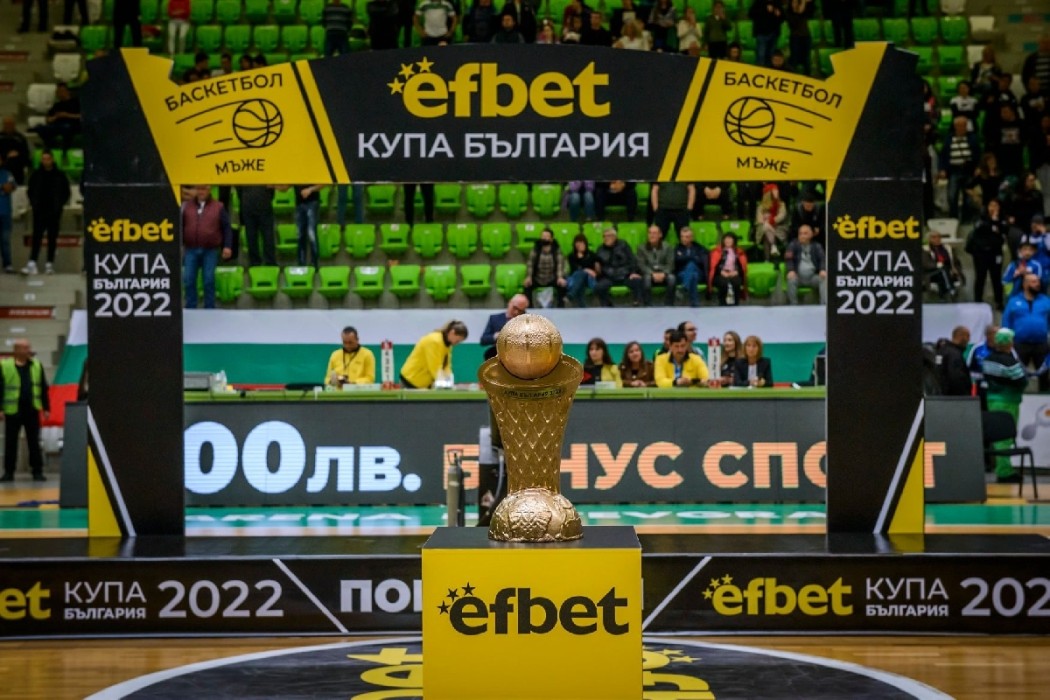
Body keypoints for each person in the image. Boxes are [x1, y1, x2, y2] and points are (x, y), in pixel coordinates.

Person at [982, 328, 1029, 483]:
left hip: (992, 399)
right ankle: (1004, 472)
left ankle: (1003, 469)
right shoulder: (1010, 362)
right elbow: (1022, 381)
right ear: (1009, 343)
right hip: (1008, 401)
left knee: (998, 437)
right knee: (1004, 437)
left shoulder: (988, 359)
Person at [1, 339, 50, 482]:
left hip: (32, 409)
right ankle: (9, 472)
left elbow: (43, 387)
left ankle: (37, 471)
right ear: (16, 350)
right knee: (10, 442)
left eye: (28, 347)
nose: (28, 350)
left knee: (34, 442)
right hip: (13, 410)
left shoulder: (36, 365)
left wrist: (46, 408)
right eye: (25, 348)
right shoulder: (5, 366)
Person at [181, 185, 233, 309]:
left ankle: (210, 308)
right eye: (199, 189)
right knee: (188, 279)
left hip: (210, 250)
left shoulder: (218, 207)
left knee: (209, 280)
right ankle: (190, 307)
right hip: (190, 249)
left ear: (209, 190)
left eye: (203, 189)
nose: (201, 192)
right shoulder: (186, 206)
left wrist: (227, 246)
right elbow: (181, 226)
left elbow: (227, 228)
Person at [22, 152, 71, 276]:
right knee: (37, 236)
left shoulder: (60, 175)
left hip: (54, 212)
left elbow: (66, 192)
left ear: (52, 159)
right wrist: (34, 204)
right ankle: (32, 262)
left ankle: (49, 264)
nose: (46, 161)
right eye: (43, 159)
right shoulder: (36, 175)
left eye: (48, 158)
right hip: (39, 211)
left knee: (52, 238)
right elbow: (30, 191)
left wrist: (59, 205)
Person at [1002, 271, 1050, 392]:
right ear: (1025, 284)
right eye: (1034, 282)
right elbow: (1006, 322)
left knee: (1045, 377)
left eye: (1038, 281)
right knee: (1017, 376)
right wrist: (1006, 341)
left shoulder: (1046, 301)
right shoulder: (1013, 301)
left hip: (1041, 344)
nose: (1037, 284)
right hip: (1019, 344)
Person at [401, 320, 469, 389]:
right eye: (457, 340)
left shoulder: (447, 345)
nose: (457, 343)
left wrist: (449, 380)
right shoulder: (434, 341)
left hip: (423, 383)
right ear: (452, 332)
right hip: (411, 379)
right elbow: (435, 367)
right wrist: (446, 385)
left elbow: (446, 365)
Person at [966, 198, 1007, 310]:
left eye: (996, 206)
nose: (993, 208)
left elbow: (1004, 229)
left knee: (996, 278)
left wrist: (996, 222)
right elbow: (979, 228)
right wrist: (992, 223)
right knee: (980, 277)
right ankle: (978, 301)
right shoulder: (980, 217)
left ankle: (999, 301)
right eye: (991, 205)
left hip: (996, 252)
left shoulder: (1002, 219)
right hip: (981, 252)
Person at [939, 117, 980, 222]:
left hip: (968, 170)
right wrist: (942, 169)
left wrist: (978, 167)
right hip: (954, 170)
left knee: (968, 196)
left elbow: (977, 153)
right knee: (952, 195)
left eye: (964, 125)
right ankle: (954, 218)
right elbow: (943, 155)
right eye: (959, 126)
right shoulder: (949, 139)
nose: (962, 128)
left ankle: (966, 218)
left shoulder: (972, 138)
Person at [595, 227, 644, 306]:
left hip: (625, 274)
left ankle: (637, 303)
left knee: (637, 281)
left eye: (608, 236)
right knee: (599, 287)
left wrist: (633, 272)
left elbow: (632, 260)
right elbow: (600, 266)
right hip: (609, 276)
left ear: (615, 237)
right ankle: (607, 305)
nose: (606, 238)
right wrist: (599, 270)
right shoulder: (600, 249)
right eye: (604, 236)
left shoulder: (623, 245)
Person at [30, 84, 81, 153]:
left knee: (66, 127)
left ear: (68, 91)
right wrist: (55, 117)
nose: (60, 94)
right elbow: (48, 118)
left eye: (62, 91)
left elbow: (81, 116)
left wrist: (67, 115)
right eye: (58, 92)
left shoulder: (76, 102)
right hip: (57, 125)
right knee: (39, 128)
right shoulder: (57, 105)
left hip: (72, 124)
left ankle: (65, 149)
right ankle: (51, 145)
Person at [523, 228, 567, 308]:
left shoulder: (556, 249)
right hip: (538, 278)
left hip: (552, 277)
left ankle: (560, 308)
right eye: (543, 236)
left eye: (547, 236)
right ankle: (530, 309)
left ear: (551, 239)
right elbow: (530, 263)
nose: (544, 238)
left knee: (562, 285)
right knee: (527, 286)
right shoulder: (535, 249)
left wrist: (560, 277)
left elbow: (560, 264)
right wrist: (529, 277)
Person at [784, 224, 827, 304]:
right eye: (800, 233)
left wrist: (822, 269)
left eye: (805, 233)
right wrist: (790, 270)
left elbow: (822, 259)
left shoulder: (817, 246)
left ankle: (824, 304)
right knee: (791, 279)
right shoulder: (792, 245)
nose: (802, 236)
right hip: (798, 277)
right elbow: (788, 259)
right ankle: (793, 305)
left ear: (811, 235)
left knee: (824, 278)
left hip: (812, 277)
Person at [637, 225, 677, 306]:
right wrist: (652, 273)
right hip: (649, 273)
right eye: (650, 233)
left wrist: (664, 273)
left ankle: (669, 305)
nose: (652, 235)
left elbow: (670, 264)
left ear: (660, 235)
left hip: (664, 273)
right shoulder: (641, 248)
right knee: (646, 280)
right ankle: (648, 305)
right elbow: (641, 265)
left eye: (654, 233)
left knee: (672, 279)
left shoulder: (668, 247)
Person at [480, 294, 528, 359]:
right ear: (509, 303)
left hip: (520, 356)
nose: (516, 312)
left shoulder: (527, 321)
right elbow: (483, 340)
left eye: (521, 311)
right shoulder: (494, 319)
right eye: (515, 308)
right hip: (498, 356)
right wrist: (496, 336)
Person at [923, 230, 965, 300]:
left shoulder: (947, 248)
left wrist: (956, 269)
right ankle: (951, 290)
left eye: (939, 237)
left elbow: (956, 262)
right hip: (932, 273)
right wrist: (937, 265)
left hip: (949, 271)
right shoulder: (925, 250)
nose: (937, 239)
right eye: (934, 237)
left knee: (943, 272)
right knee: (943, 269)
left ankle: (943, 295)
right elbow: (926, 264)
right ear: (929, 239)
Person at [708, 232, 748, 306]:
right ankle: (723, 304)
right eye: (726, 239)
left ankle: (735, 304)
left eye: (730, 239)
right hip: (720, 274)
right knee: (723, 283)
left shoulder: (739, 252)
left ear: (734, 241)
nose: (727, 241)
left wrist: (736, 272)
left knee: (737, 282)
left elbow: (742, 266)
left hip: (734, 273)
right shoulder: (717, 251)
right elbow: (713, 266)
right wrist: (721, 272)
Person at [674, 226, 709, 307]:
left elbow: (702, 261)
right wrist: (692, 257)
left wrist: (685, 258)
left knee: (691, 265)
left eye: (686, 237)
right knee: (693, 275)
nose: (684, 239)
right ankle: (695, 303)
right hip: (681, 273)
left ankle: (685, 287)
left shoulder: (699, 248)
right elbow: (676, 260)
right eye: (682, 237)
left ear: (692, 237)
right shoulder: (677, 248)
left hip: (699, 272)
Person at [937, 326, 973, 397]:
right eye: (967, 336)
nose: (969, 340)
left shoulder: (941, 351)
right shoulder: (954, 355)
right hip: (953, 397)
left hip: (940, 395)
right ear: (960, 336)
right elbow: (955, 377)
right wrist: (964, 395)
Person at [755, 183, 788, 260]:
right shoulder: (761, 206)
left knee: (766, 233)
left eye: (777, 190)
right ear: (769, 193)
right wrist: (766, 222)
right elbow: (759, 219)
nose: (777, 192)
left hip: (779, 227)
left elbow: (782, 216)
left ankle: (767, 260)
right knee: (766, 230)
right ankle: (774, 247)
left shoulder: (781, 204)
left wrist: (770, 220)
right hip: (763, 228)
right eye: (775, 191)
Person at [566, 234, 600, 307]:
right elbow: (574, 269)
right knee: (580, 275)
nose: (580, 245)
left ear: (585, 244)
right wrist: (586, 269)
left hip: (589, 279)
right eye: (578, 243)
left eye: (582, 243)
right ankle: (582, 307)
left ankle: (571, 295)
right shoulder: (571, 256)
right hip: (575, 278)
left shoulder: (591, 255)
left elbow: (596, 268)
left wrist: (593, 270)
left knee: (581, 277)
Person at [749, 0, 785, 68]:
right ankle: (760, 71)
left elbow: (783, 18)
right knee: (761, 56)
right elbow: (751, 14)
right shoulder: (758, 2)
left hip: (774, 33)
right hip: (761, 33)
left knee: (771, 56)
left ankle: (770, 72)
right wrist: (764, 10)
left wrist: (778, 13)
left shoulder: (777, 3)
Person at [295, 184, 323, 270]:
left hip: (312, 202)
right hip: (299, 203)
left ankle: (314, 264)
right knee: (300, 235)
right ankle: (301, 264)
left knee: (311, 234)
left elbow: (323, 183)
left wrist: (310, 189)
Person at [785, 0, 814, 75]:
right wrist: (803, 3)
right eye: (793, 2)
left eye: (797, 2)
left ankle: (807, 76)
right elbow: (794, 22)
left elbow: (809, 12)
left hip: (806, 37)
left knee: (806, 59)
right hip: (795, 38)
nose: (795, 4)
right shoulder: (789, 13)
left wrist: (803, 3)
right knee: (794, 58)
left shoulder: (804, 12)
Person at [0, 117, 31, 186]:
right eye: (6, 124)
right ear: (3, 125)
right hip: (2, 165)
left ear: (14, 125)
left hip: (17, 165)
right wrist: (6, 155)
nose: (8, 126)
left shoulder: (20, 138)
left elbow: (25, 153)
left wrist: (18, 154)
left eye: (10, 124)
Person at [0, 154, 14, 273]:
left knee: (5, 240)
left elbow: (10, 187)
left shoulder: (7, 174)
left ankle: (7, 264)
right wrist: (2, 187)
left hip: (5, 212)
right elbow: (4, 188)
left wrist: (5, 188)